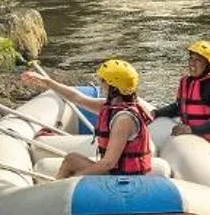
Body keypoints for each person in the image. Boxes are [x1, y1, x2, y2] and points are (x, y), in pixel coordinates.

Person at [26, 59, 157, 179]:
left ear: (114, 87)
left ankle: (58, 192)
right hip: (116, 172)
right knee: (71, 159)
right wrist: (46, 82)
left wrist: (75, 179)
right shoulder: (114, 106)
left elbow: (108, 164)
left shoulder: (124, 120)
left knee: (74, 166)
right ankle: (56, 192)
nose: (100, 83)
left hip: (124, 179)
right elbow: (77, 98)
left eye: (103, 81)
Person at [153, 39, 210, 176]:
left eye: (198, 61)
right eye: (191, 59)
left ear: (209, 65)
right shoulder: (188, 82)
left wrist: (191, 129)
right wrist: (155, 113)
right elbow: (180, 107)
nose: (192, 64)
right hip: (200, 141)